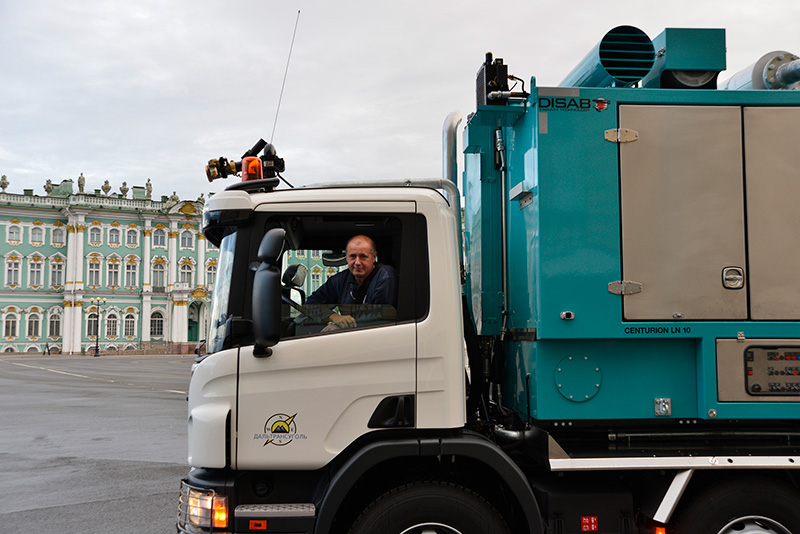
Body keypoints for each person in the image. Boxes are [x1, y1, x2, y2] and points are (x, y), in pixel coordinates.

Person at [306, 235, 398, 330]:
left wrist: (339, 328)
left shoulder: (386, 276)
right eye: (353, 256)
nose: (357, 262)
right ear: (346, 257)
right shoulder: (340, 280)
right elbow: (310, 304)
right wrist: (333, 317)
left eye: (363, 257)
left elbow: (383, 321)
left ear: (374, 257)